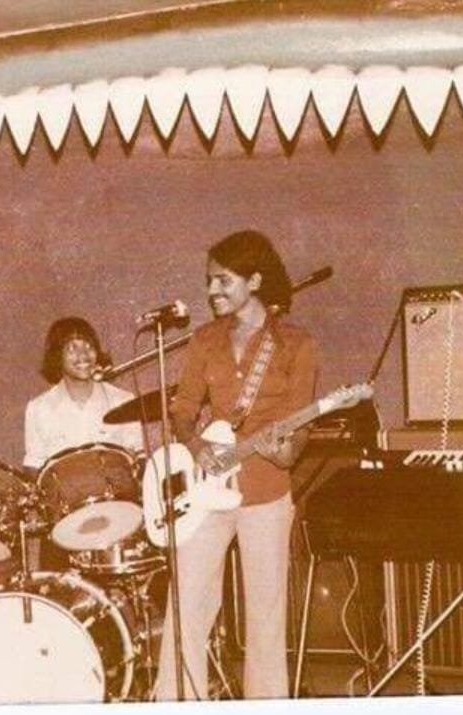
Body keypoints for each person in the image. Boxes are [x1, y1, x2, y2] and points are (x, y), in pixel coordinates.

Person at [155, 229, 318, 700]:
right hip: (208, 491)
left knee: (265, 616)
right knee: (186, 605)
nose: (212, 290)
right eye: (209, 280)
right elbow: (183, 410)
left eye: (223, 280)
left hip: (266, 491)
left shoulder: (296, 344)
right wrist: (194, 444)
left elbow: (300, 426)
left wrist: (287, 451)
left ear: (255, 281)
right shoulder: (205, 340)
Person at [22, 316, 142, 470]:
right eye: (72, 348)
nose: (84, 355)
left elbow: (139, 457)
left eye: (89, 346)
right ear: (57, 356)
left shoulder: (123, 401)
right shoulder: (38, 408)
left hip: (115, 485)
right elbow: (33, 466)